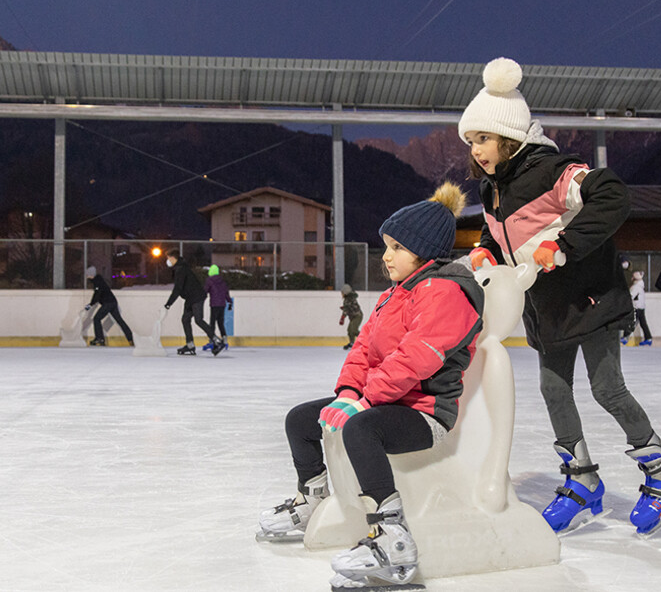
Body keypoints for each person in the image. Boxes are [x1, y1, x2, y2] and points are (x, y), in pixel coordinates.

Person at [461, 57, 661, 536]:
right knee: (552, 389)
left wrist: (563, 245)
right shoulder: (491, 192)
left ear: (507, 134)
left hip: (592, 298)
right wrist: (485, 251)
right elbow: (500, 237)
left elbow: (612, 195)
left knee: (607, 388)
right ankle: (582, 480)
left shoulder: (553, 171)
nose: (476, 149)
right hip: (546, 311)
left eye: (482, 138)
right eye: (470, 141)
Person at [258, 183, 483, 590]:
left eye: (396, 247)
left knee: (361, 428)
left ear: (423, 250)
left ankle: (392, 537)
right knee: (301, 420)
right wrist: (348, 392)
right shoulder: (395, 294)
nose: (387, 256)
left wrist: (363, 402)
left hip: (425, 412)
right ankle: (313, 498)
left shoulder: (446, 292)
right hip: (383, 400)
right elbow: (362, 349)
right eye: (386, 246)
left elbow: (416, 358)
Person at [164, 250, 223, 356]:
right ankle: (190, 345)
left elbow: (177, 288)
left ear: (173, 258)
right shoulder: (180, 267)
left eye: (168, 258)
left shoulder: (181, 269)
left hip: (197, 297)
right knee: (185, 319)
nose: (167, 261)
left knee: (198, 320)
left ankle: (217, 341)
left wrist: (168, 303)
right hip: (190, 298)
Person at [85, 266, 134, 347]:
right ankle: (131, 338)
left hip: (108, 303)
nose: (87, 277)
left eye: (88, 275)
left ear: (91, 274)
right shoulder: (99, 280)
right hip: (113, 302)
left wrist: (90, 304)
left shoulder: (97, 281)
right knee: (119, 320)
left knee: (96, 319)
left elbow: (97, 294)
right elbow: (98, 293)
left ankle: (99, 339)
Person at [202, 265, 231, 351]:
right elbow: (226, 293)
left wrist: (199, 299)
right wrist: (229, 301)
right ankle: (225, 340)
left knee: (212, 323)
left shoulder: (209, 280)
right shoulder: (222, 281)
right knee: (220, 323)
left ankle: (212, 340)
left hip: (214, 305)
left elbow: (205, 291)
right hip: (222, 304)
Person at [629, 270, 652, 346]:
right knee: (643, 323)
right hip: (641, 307)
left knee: (632, 322)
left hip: (636, 307)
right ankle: (648, 338)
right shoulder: (641, 286)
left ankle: (625, 337)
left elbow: (631, 296)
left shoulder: (635, 287)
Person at [339, 283, 364, 350]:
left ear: (345, 292)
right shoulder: (348, 299)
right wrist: (345, 308)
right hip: (353, 316)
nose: (341, 294)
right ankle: (352, 343)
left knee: (354, 330)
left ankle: (365, 340)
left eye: (342, 292)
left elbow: (347, 309)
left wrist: (342, 318)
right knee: (350, 330)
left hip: (357, 316)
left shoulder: (349, 299)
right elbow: (349, 307)